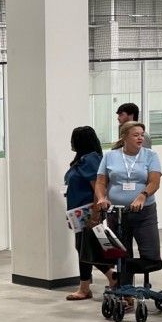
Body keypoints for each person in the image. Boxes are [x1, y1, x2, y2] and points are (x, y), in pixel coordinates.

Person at [93, 120, 162, 290]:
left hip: (144, 212)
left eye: (142, 135)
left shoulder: (150, 155)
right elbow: (101, 182)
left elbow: (155, 181)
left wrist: (142, 195)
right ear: (124, 137)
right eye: (135, 135)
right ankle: (125, 290)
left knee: (151, 254)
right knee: (119, 253)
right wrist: (102, 198)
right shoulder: (110, 156)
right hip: (116, 213)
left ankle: (139, 286)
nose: (140, 138)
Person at [63, 126, 104, 301]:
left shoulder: (90, 160)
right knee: (83, 248)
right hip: (78, 212)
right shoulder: (83, 160)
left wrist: (95, 214)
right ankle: (87, 285)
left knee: (86, 248)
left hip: (88, 212)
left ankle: (90, 285)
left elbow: (98, 189)